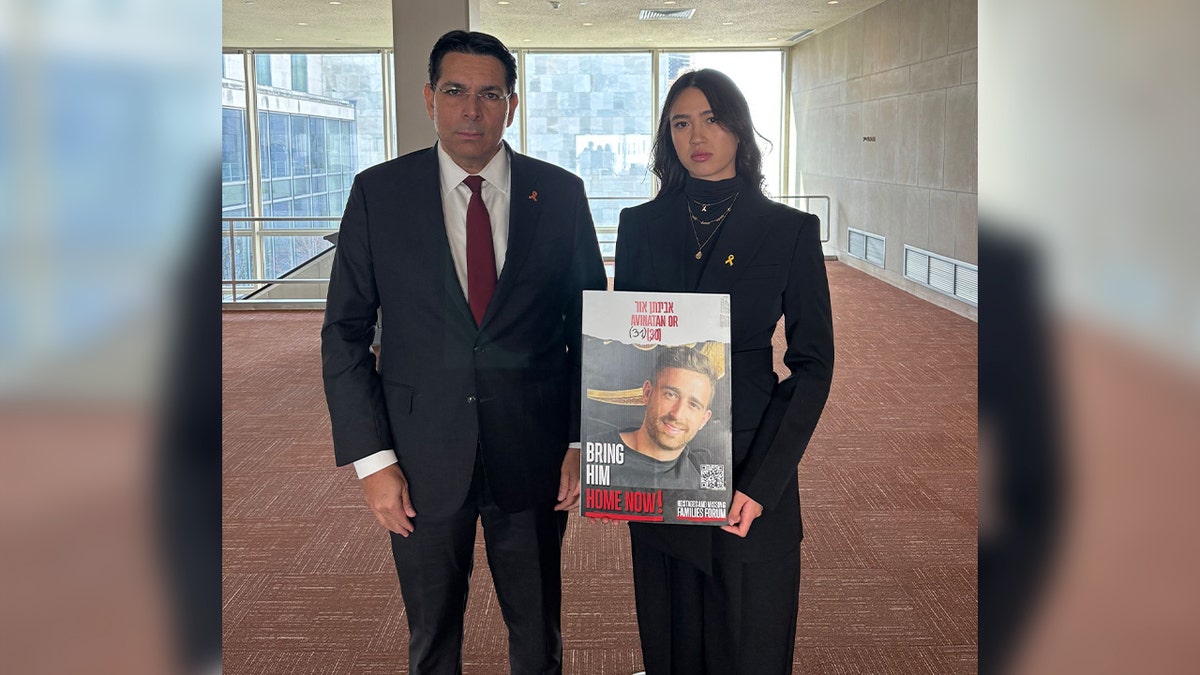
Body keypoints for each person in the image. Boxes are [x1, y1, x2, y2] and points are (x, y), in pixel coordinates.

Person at [321, 30, 607, 675]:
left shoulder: (560, 194)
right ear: (429, 98)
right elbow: (344, 332)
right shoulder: (378, 194)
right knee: (432, 637)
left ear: (512, 105)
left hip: (534, 452)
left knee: (538, 634)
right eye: (455, 91)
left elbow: (590, 326)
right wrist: (372, 461)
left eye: (490, 94)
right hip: (418, 457)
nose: (471, 110)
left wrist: (578, 439)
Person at [613, 68, 835, 674]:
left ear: (739, 127)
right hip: (662, 463)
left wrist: (763, 482)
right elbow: (631, 346)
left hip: (751, 462)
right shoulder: (640, 226)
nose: (697, 136)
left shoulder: (789, 231)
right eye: (681, 123)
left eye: (711, 119)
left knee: (750, 642)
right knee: (672, 640)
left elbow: (814, 364)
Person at [602, 345, 720, 490]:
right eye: (671, 395)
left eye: (693, 405)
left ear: (704, 420)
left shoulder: (706, 469)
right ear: (647, 393)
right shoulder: (594, 453)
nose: (677, 414)